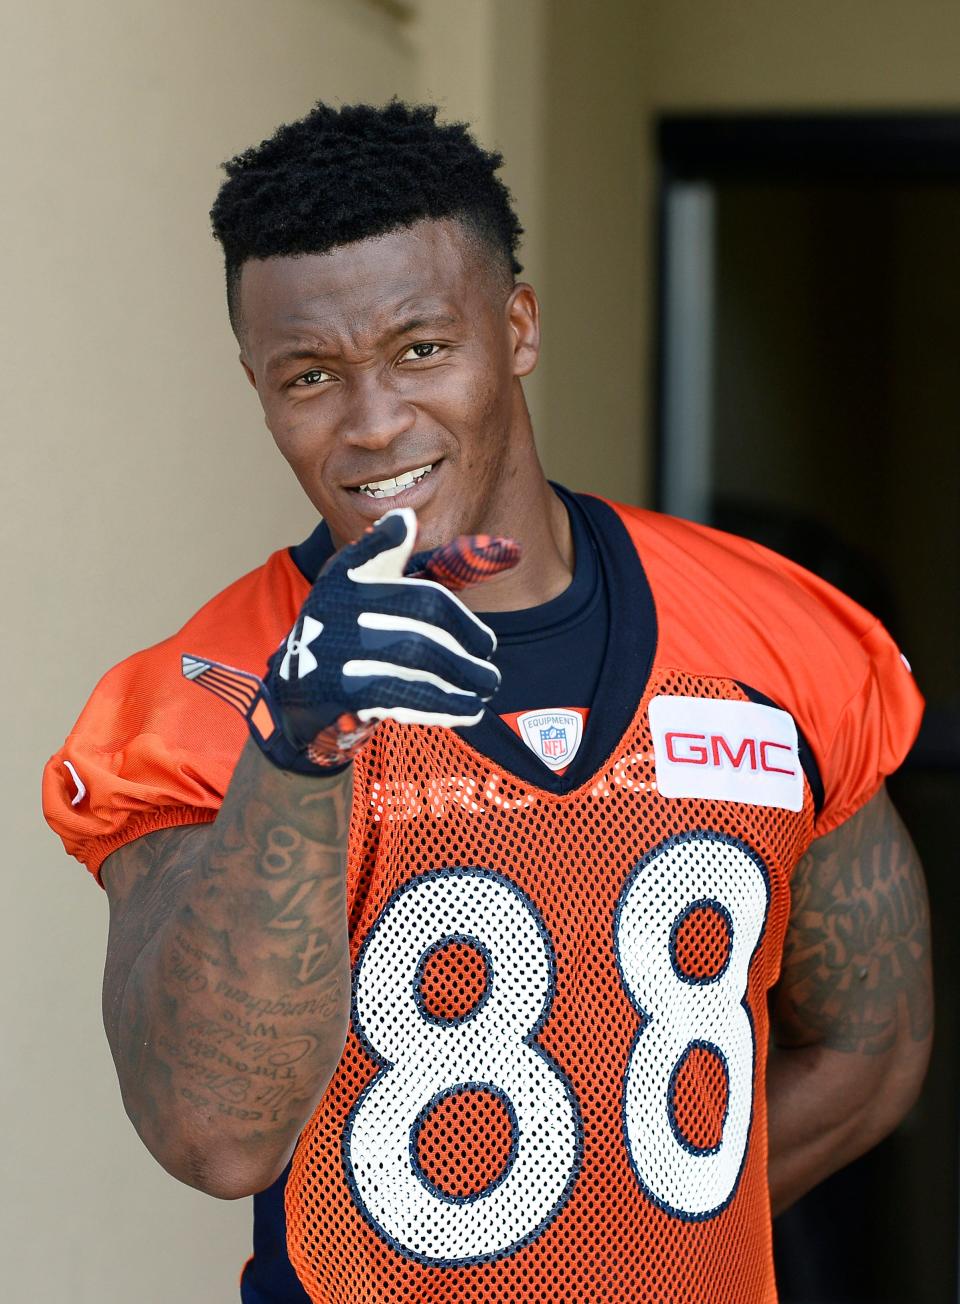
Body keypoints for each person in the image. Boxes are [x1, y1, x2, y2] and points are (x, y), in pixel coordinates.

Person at [42, 101, 933, 1303]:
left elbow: (874, 1046)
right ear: (257, 383)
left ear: (516, 326)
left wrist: (615, 1252)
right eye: (311, 376)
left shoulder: (776, 637)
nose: (372, 423)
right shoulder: (206, 692)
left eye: (420, 348)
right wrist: (295, 752)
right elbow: (216, 1134)